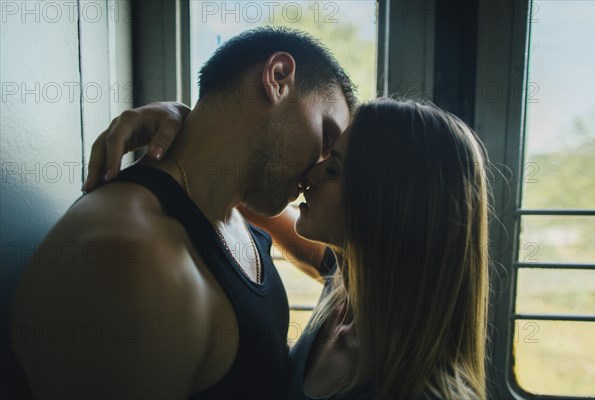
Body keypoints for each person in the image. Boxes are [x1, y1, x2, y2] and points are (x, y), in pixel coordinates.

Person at [10, 27, 357, 399]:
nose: (315, 173)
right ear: (278, 78)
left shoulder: (229, 206)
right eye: (325, 139)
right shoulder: (131, 261)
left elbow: (348, 254)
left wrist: (184, 118)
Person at [85, 98, 491, 399]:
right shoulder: (348, 287)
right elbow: (241, 194)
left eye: (332, 169)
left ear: (387, 209)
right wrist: (176, 121)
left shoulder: (429, 391)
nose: (310, 175)